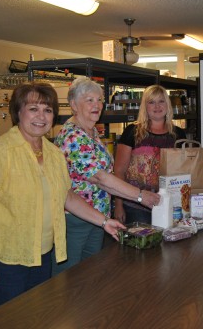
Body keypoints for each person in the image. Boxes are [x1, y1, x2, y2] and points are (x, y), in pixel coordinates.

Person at [0, 82, 126, 313]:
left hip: (43, 255)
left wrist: (104, 221)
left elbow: (67, 196)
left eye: (48, 110)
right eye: (33, 109)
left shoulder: (53, 153)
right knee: (6, 320)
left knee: (38, 317)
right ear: (18, 112)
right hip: (6, 259)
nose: (41, 116)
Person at [53, 77, 160, 275]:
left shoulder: (92, 132)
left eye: (99, 99)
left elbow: (105, 180)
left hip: (97, 217)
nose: (97, 105)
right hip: (76, 220)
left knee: (91, 274)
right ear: (74, 105)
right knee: (69, 281)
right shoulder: (73, 136)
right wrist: (139, 195)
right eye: (89, 100)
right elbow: (100, 178)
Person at [114, 84, 187, 224]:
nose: (157, 106)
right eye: (151, 102)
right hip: (136, 205)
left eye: (161, 101)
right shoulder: (132, 131)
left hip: (170, 205)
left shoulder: (178, 134)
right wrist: (118, 205)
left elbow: (183, 171)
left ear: (167, 104)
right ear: (145, 107)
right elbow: (119, 171)